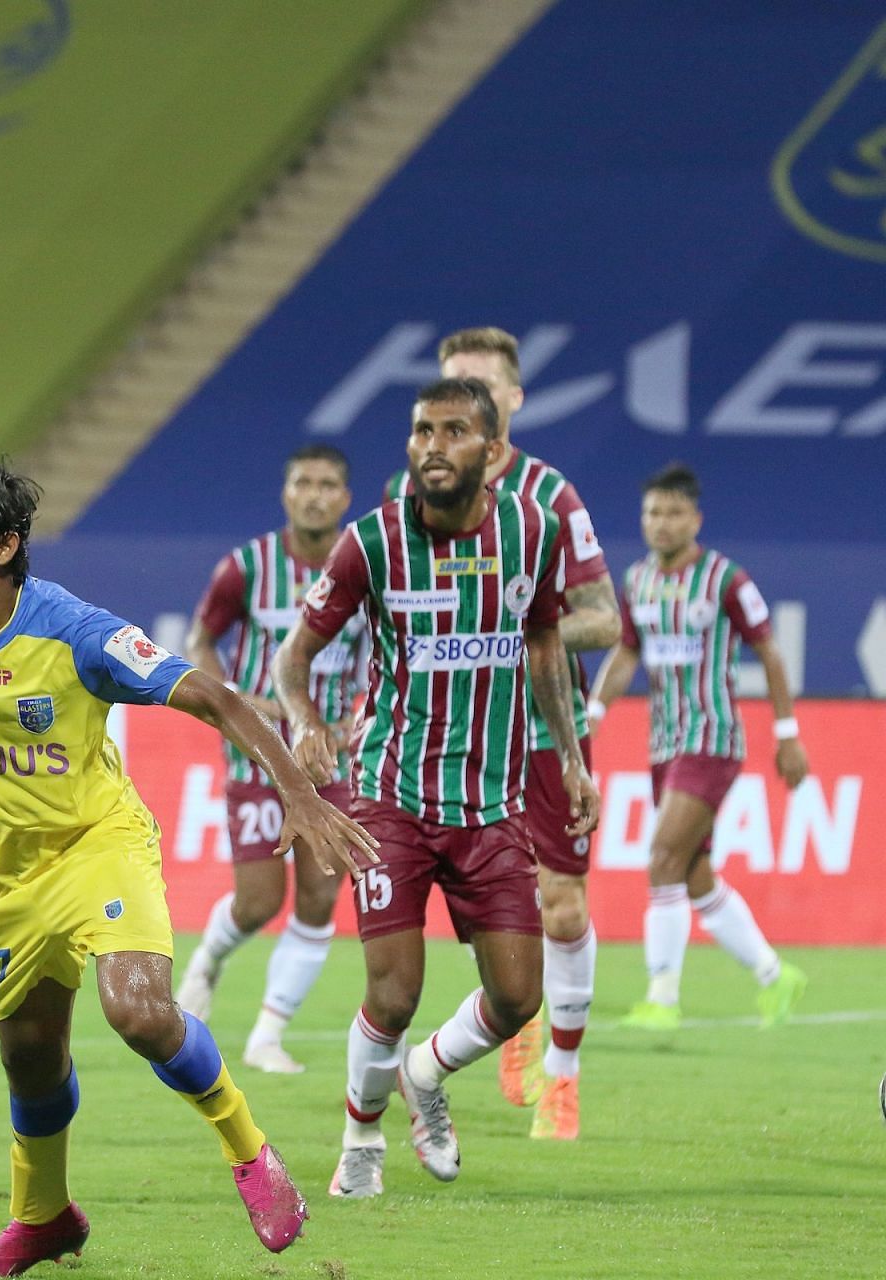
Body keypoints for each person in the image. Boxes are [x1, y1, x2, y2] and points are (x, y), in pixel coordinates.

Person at [0, 450, 379, 1276]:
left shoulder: (75, 631)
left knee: (140, 1012)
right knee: (30, 1058)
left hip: (97, 844)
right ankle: (41, 1219)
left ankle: (248, 1147)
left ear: (4, 547)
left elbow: (215, 696)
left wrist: (296, 789)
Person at [281, 378, 598, 1199]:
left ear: (491, 452)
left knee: (519, 994)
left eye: (453, 431)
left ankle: (425, 1074)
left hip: (492, 803)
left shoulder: (536, 530)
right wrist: (307, 720)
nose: (431, 445)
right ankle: (361, 1142)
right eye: (422, 429)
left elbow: (545, 644)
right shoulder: (372, 543)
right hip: (391, 795)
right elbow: (291, 660)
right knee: (394, 990)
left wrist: (569, 756)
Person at [383, 327, 620, 1140]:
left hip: (539, 735)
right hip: (446, 741)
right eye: (448, 396)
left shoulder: (551, 498)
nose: (460, 414)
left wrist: (516, 623)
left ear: (510, 405)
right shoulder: (407, 500)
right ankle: (510, 1021)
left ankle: (564, 1072)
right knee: (488, 917)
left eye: (478, 395)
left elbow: (604, 618)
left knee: (561, 905)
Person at [589, 464, 808, 1030]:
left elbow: (771, 653)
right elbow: (628, 655)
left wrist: (787, 735)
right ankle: (773, 974)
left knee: (661, 856)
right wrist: (592, 712)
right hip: (663, 741)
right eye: (653, 513)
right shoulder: (636, 581)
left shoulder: (726, 580)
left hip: (711, 737)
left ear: (695, 519)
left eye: (673, 513)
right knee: (693, 874)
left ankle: (662, 996)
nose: (661, 524)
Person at [176, 444, 364, 1074]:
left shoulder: (367, 564)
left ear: (345, 497)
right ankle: (207, 960)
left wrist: (358, 718)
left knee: (319, 895)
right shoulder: (248, 568)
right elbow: (200, 638)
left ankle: (267, 1034)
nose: (314, 494)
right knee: (257, 903)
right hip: (259, 761)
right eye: (302, 483)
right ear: (286, 493)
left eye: (327, 484)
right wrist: (229, 702)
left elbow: (392, 652)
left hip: (330, 760)